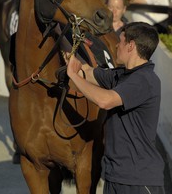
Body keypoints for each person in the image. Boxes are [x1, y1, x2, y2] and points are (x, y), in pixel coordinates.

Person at [66, 21, 165, 194]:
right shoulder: (120, 76)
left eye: (120, 41)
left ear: (131, 46)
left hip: (139, 181)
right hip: (115, 176)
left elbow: (105, 100)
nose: (117, 45)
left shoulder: (145, 80)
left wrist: (73, 76)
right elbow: (89, 73)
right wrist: (72, 61)